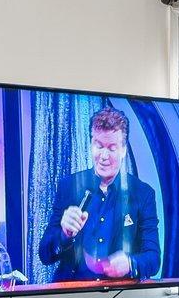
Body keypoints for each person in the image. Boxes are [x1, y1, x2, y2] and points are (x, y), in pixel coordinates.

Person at [36, 105, 161, 283]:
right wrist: (64, 235)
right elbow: (45, 255)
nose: (103, 156)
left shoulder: (143, 194)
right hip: (72, 294)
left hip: (119, 297)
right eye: (99, 146)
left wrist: (130, 263)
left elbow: (153, 259)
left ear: (124, 150)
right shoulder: (69, 186)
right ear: (91, 145)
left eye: (111, 148)